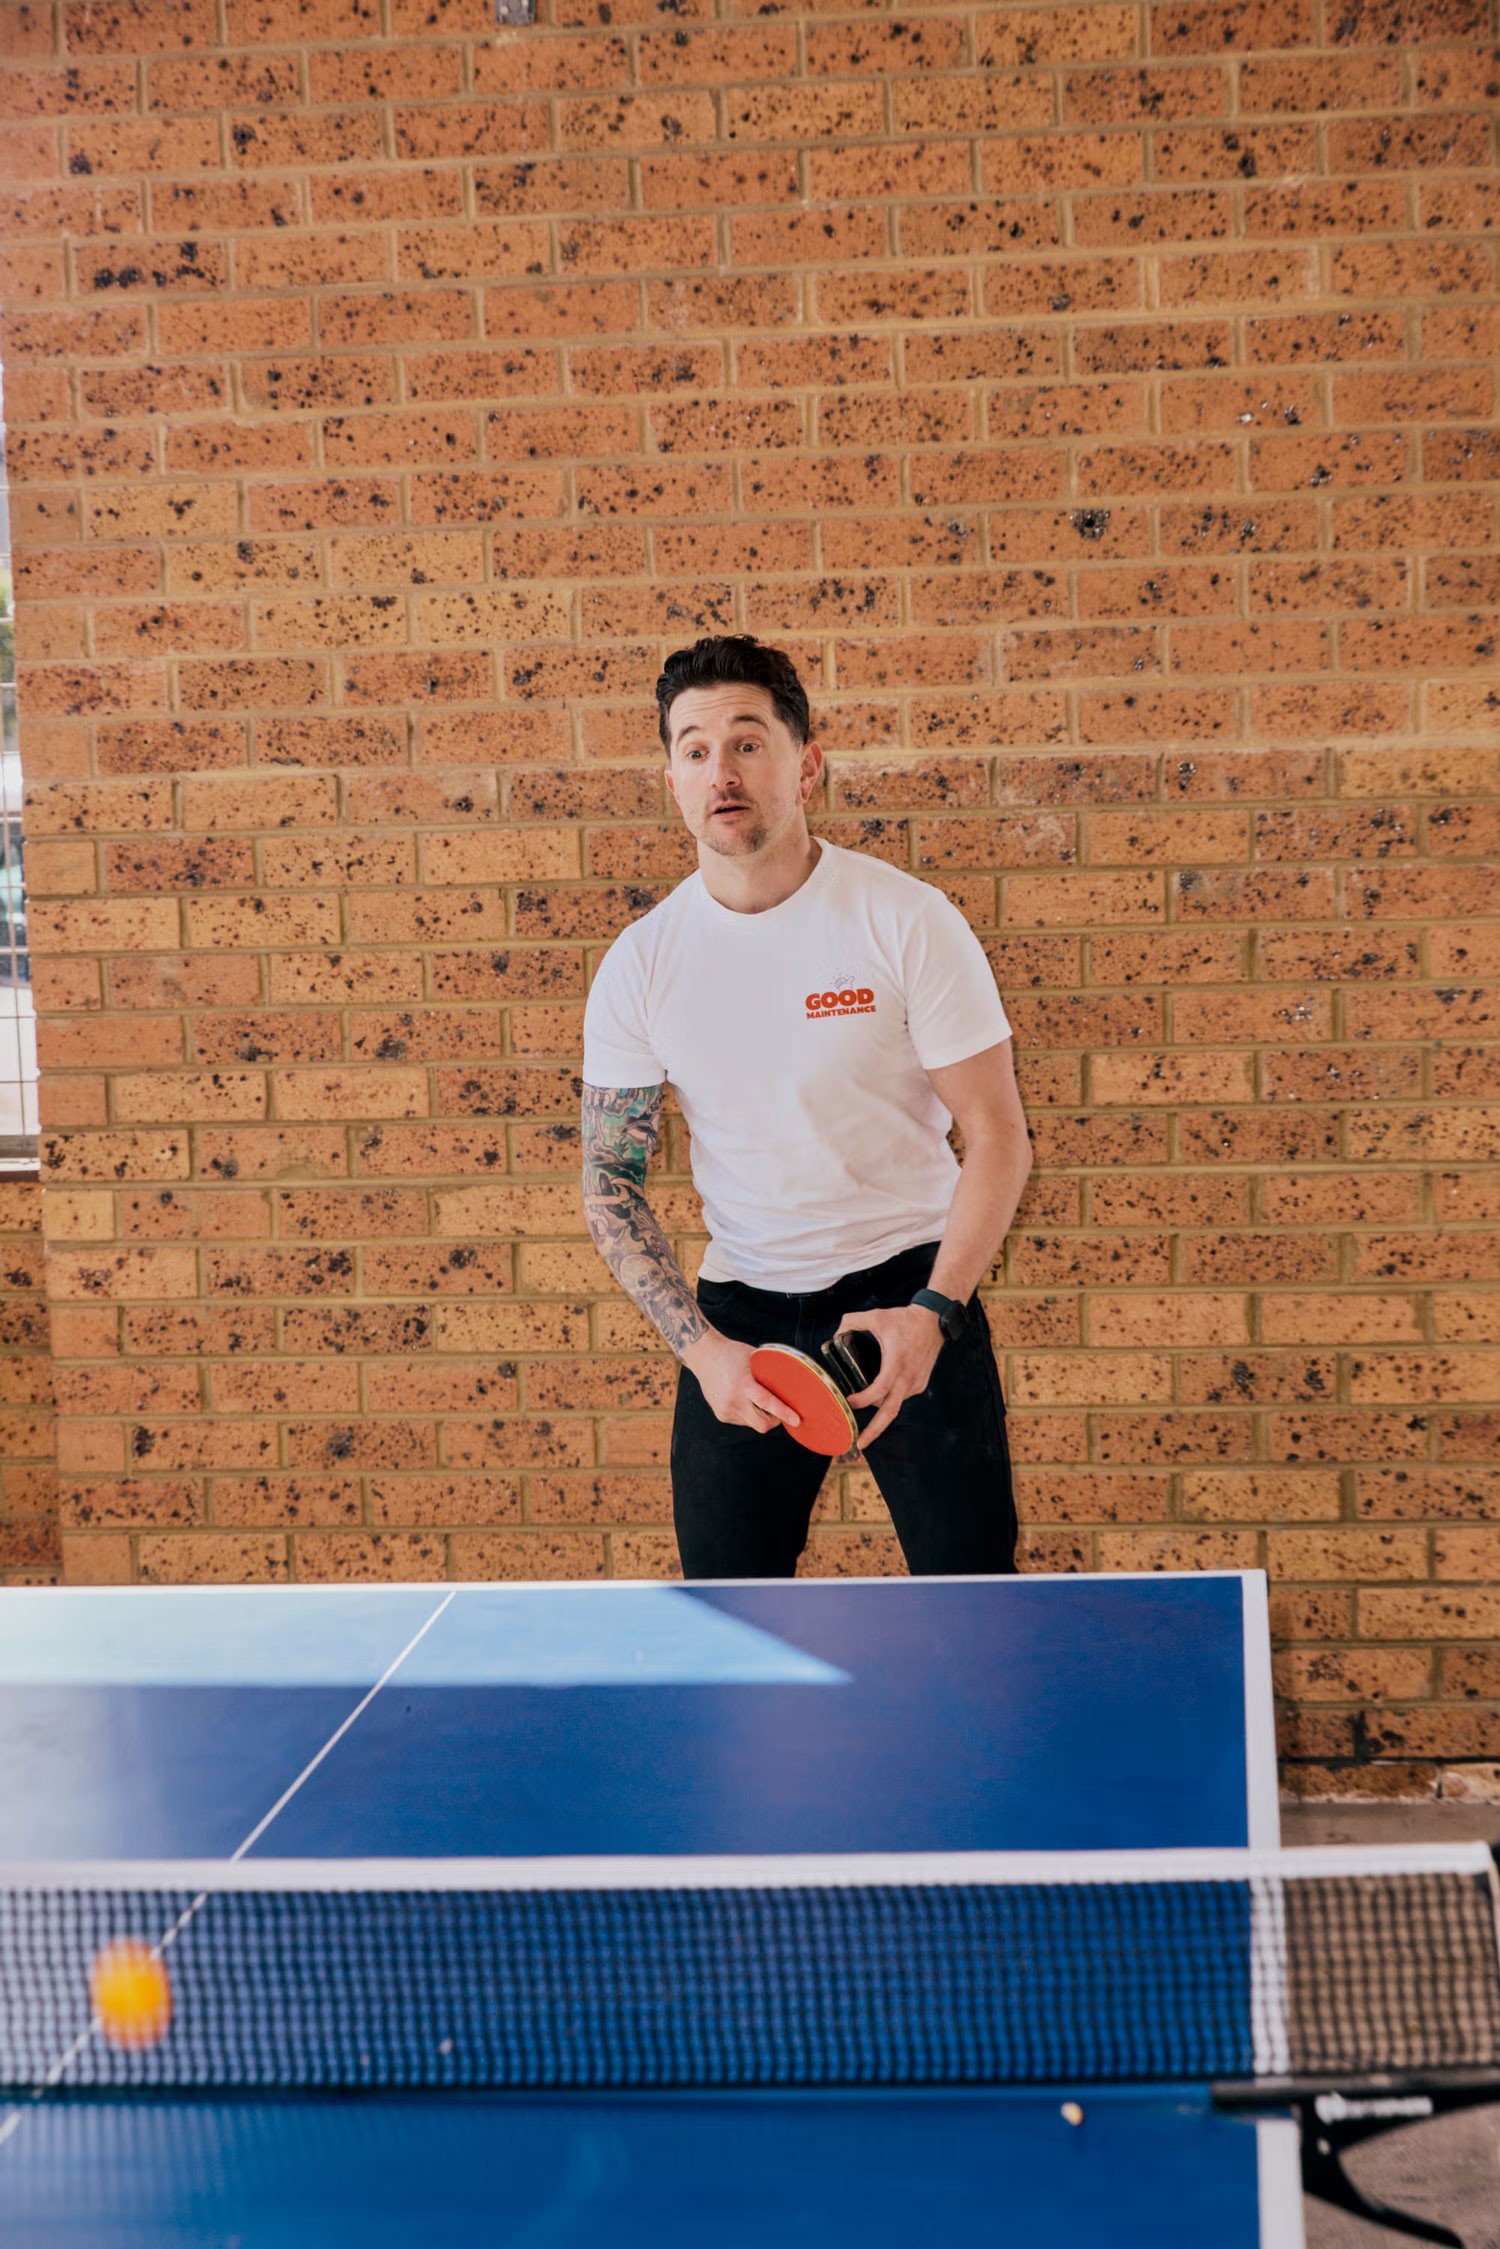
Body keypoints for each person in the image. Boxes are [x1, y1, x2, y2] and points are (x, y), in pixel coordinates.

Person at [580, 634, 1034, 1580]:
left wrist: (935, 1313)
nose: (722, 770)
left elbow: (997, 1138)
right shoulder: (643, 962)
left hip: (910, 1290)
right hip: (741, 1320)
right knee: (729, 1628)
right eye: (695, 749)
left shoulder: (905, 920)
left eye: (748, 741)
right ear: (673, 782)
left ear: (807, 763)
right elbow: (609, 1180)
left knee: (975, 1611)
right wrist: (704, 1354)